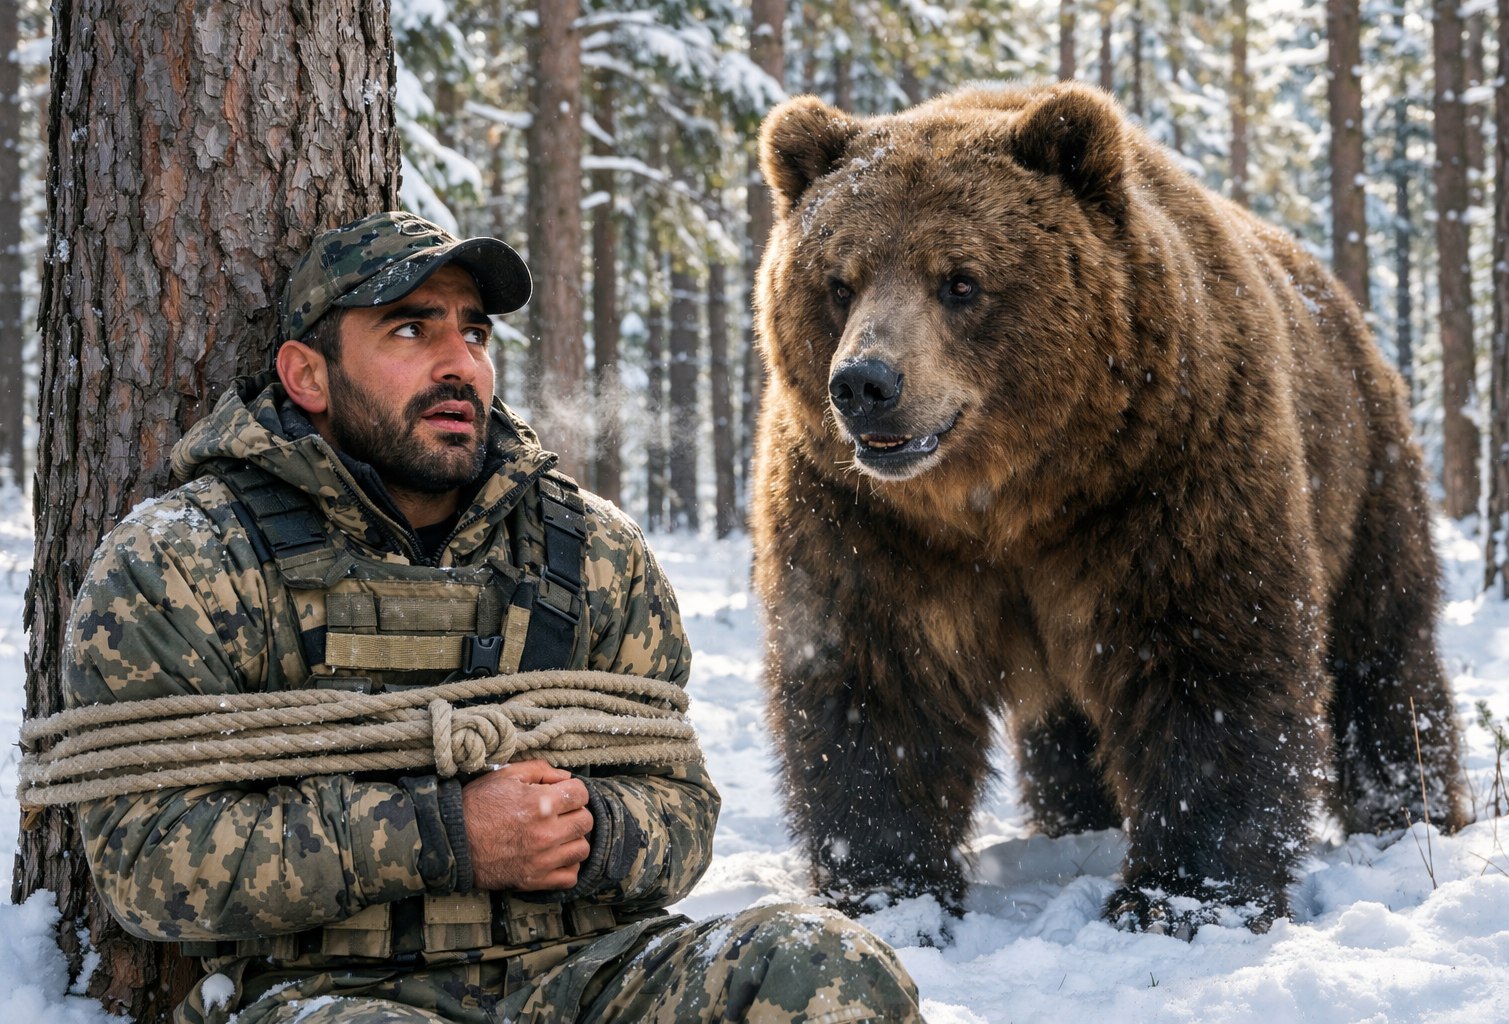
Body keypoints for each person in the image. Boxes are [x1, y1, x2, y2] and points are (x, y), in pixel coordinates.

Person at [64, 211, 923, 1024]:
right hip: (331, 989)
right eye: (411, 329)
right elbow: (147, 863)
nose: (460, 364)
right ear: (307, 375)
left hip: (589, 974)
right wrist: (447, 836)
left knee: (825, 966)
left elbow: (682, 809)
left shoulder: (589, 551)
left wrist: (590, 827)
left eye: (473, 332)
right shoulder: (187, 561)